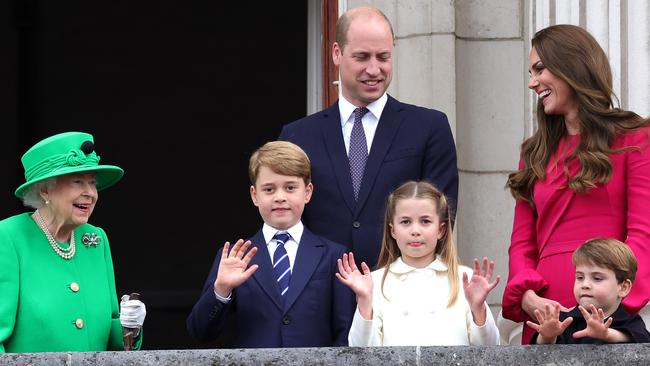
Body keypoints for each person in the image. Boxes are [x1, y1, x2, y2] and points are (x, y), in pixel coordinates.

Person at [502, 24, 650, 344]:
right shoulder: (534, 153)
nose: (532, 82)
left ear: (572, 66)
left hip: (606, 317)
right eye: (530, 71)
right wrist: (527, 298)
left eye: (540, 68)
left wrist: (614, 304)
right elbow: (521, 244)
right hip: (548, 320)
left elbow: (643, 232)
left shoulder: (635, 137)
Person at [279, 6, 458, 269]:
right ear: (336, 54)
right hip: (322, 294)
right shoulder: (297, 136)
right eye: (362, 57)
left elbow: (441, 217)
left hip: (399, 292)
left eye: (383, 57)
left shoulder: (429, 127)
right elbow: (285, 222)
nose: (374, 70)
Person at [186, 141, 355, 347]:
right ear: (254, 195)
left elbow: (345, 334)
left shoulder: (333, 255)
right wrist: (221, 289)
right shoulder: (235, 256)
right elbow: (199, 332)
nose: (280, 197)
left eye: (290, 188)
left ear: (308, 192)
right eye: (269, 189)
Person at [0, 131, 146, 353]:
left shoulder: (96, 240)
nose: (91, 194)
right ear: (45, 189)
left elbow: (114, 343)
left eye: (93, 183)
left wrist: (130, 327)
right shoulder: (8, 237)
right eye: (78, 182)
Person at [336, 181, 500, 346]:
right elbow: (361, 353)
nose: (415, 231)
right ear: (393, 230)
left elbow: (491, 349)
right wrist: (365, 301)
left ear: (441, 230)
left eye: (425, 221)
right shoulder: (375, 282)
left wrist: (478, 310)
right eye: (406, 222)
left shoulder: (464, 278)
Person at [529, 238, 650, 344]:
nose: (585, 285)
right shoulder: (565, 320)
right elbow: (538, 356)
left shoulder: (630, 321)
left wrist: (607, 334)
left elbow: (643, 344)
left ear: (623, 287)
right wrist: (547, 336)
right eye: (580, 277)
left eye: (597, 278)